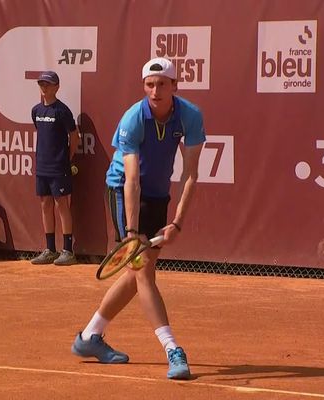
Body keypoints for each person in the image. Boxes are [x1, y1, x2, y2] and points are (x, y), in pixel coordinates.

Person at [71, 57, 206, 380]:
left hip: (158, 195)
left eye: (162, 84)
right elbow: (131, 179)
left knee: (136, 275)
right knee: (144, 272)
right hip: (123, 190)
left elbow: (190, 176)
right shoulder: (133, 119)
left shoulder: (190, 116)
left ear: (175, 86)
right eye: (149, 84)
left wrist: (177, 224)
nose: (155, 90)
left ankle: (90, 336)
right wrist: (131, 232)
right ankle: (173, 349)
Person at [29, 71, 81, 266]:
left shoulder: (62, 111)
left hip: (59, 167)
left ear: (57, 87)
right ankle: (50, 249)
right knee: (45, 204)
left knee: (62, 205)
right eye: (42, 84)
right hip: (42, 166)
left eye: (48, 84)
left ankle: (68, 250)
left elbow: (74, 137)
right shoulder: (36, 111)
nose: (44, 87)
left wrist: (67, 158)